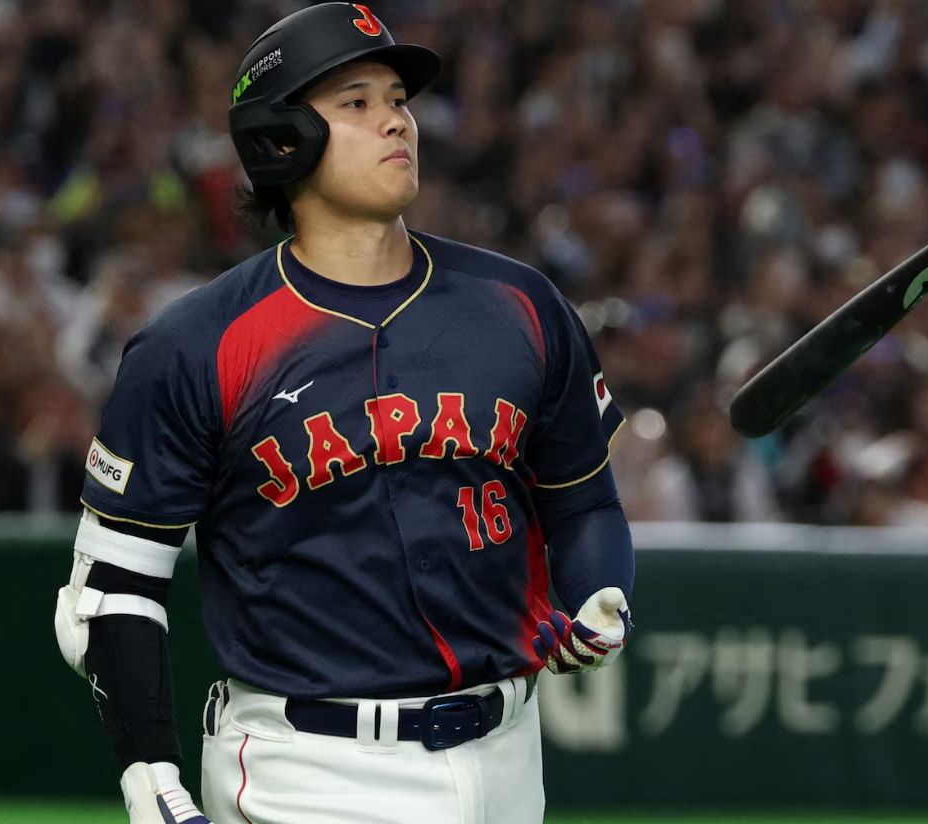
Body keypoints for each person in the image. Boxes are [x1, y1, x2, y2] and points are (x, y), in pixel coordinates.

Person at [53, 5, 635, 823]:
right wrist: (149, 771)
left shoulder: (520, 304)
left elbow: (583, 500)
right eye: (355, 102)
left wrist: (599, 592)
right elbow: (109, 592)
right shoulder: (197, 344)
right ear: (280, 137)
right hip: (310, 770)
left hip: (509, 753)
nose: (396, 118)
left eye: (397, 97)